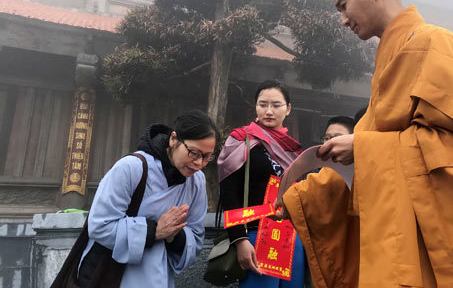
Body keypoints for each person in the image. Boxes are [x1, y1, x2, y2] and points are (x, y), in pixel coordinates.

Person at [277, 0, 453, 287]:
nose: (343, 20)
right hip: (407, 233)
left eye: (342, 5)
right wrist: (302, 200)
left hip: (441, 241)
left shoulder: (433, 44)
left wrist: (363, 147)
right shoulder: (393, 60)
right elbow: (371, 156)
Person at [77, 110, 219, 287]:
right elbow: (99, 225)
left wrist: (175, 236)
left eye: (207, 157)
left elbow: (196, 238)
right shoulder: (131, 168)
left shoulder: (196, 181)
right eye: (194, 153)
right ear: (173, 139)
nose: (199, 163)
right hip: (113, 275)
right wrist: (155, 230)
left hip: (158, 276)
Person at [218, 80, 305, 288]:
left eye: (276, 105)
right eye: (262, 104)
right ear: (255, 106)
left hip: (290, 237)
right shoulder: (240, 140)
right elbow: (229, 192)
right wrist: (239, 239)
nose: (269, 111)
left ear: (288, 109)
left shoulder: (292, 148)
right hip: (255, 235)